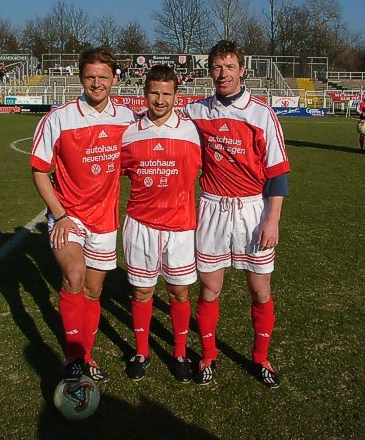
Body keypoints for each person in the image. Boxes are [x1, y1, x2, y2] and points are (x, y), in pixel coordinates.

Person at [184, 40, 290, 387]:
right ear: (209, 71)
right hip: (212, 207)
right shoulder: (196, 112)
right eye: (217, 67)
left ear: (242, 71)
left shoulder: (262, 114)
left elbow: (277, 173)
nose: (223, 73)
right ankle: (208, 356)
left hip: (252, 210)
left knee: (259, 289)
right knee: (210, 288)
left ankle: (261, 359)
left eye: (230, 67)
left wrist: (272, 220)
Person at [29, 48, 135, 384]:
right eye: (90, 76)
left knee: (92, 291)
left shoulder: (127, 119)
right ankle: (74, 358)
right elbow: (39, 171)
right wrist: (60, 215)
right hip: (69, 216)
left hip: (105, 219)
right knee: (74, 276)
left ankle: (86, 355)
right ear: (80, 78)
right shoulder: (59, 118)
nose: (97, 83)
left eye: (103, 77)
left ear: (114, 78)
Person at [121, 65, 202, 383]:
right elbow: (110, 173)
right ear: (145, 93)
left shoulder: (191, 131)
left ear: (176, 96)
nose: (160, 99)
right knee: (142, 292)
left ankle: (179, 352)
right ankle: (142, 352)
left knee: (179, 292)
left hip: (180, 226)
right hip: (141, 224)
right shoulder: (129, 132)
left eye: (166, 93)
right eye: (154, 92)